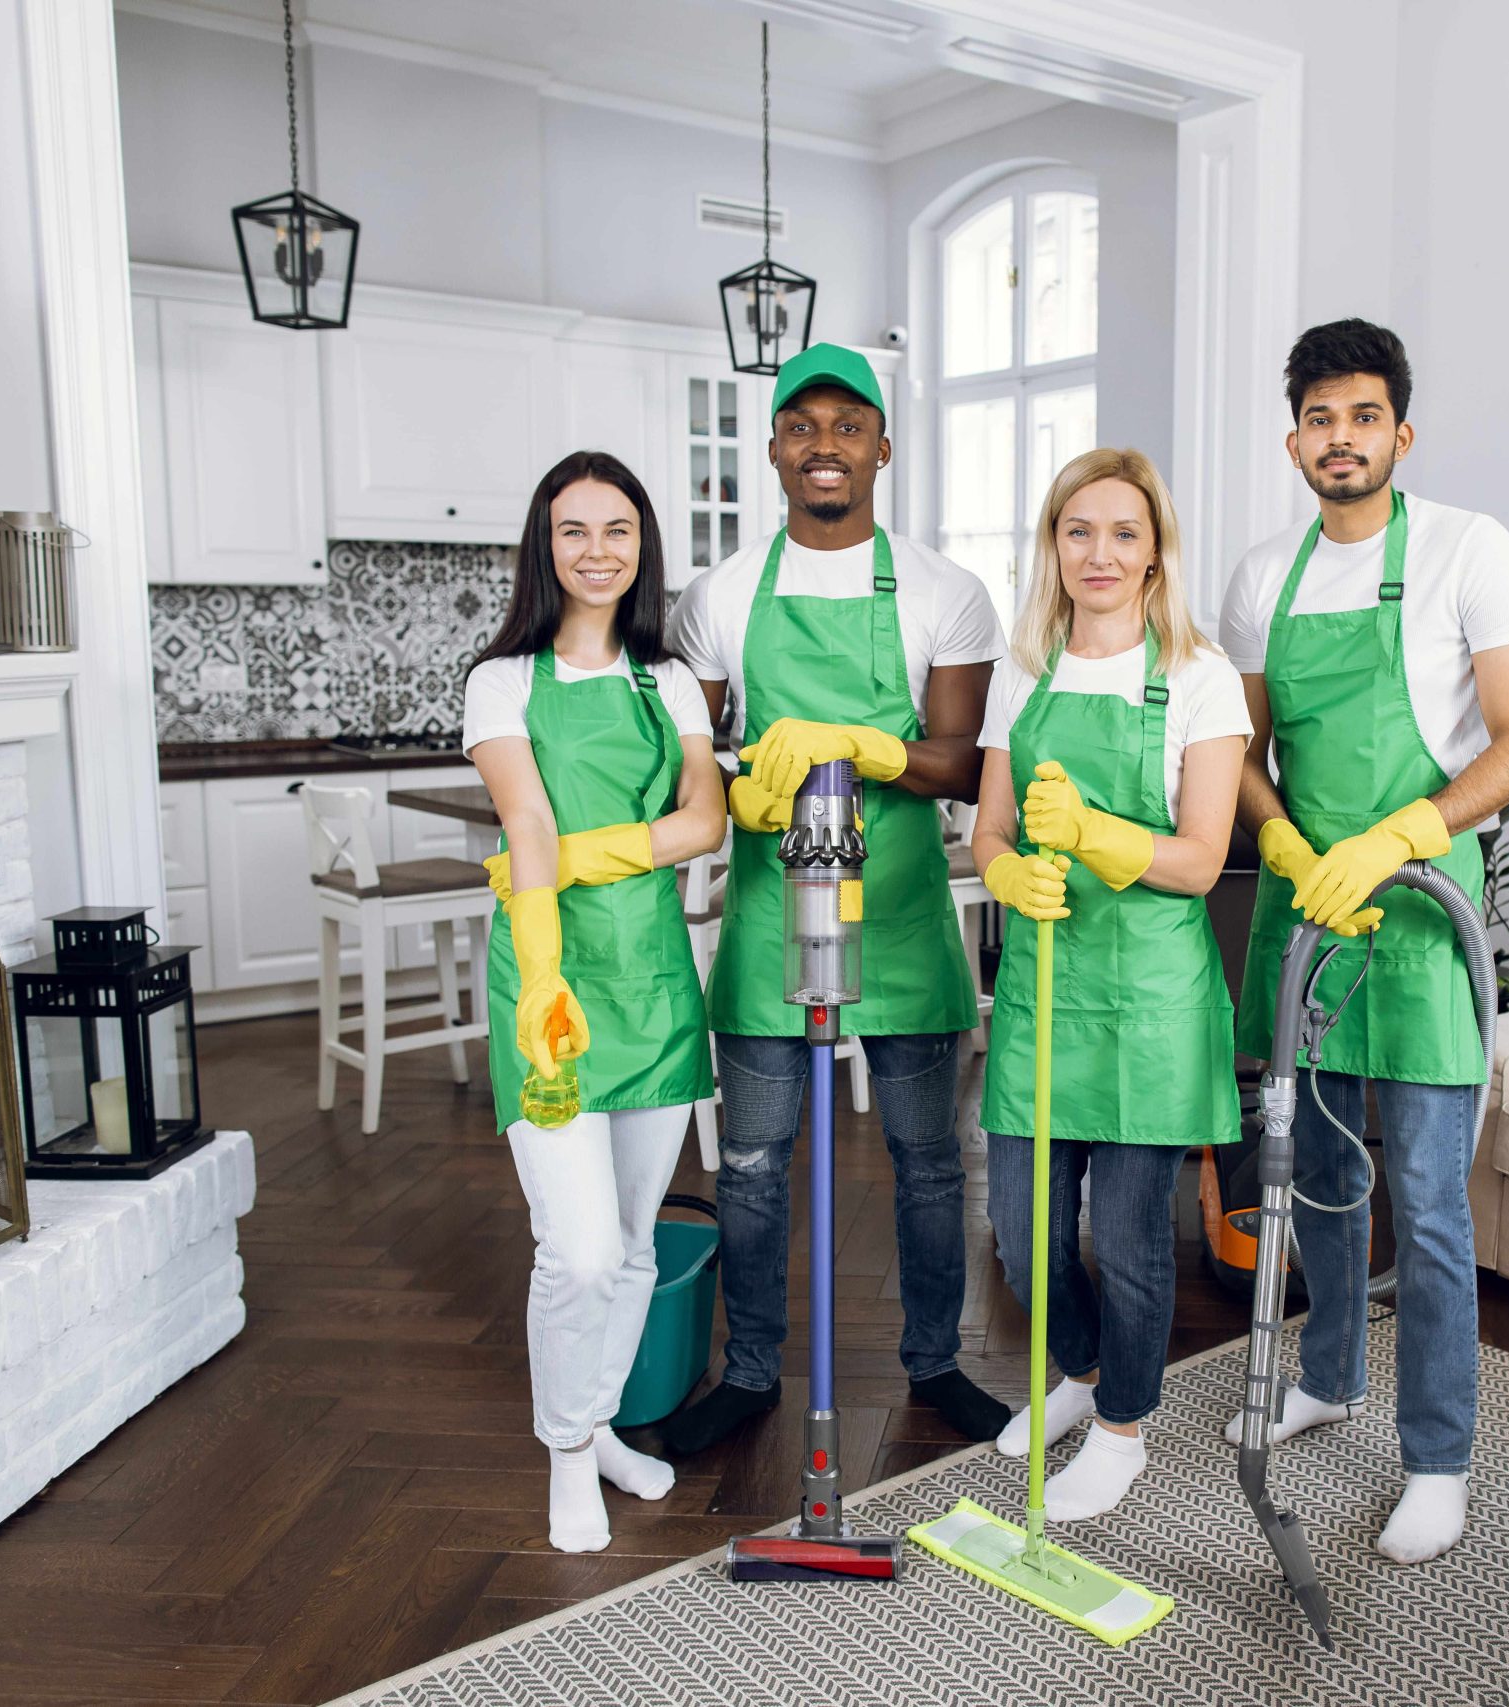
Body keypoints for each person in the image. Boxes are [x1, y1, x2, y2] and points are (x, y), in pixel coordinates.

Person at [1219, 319, 1509, 1564]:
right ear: (1293, 436)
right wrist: (1293, 848)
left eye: (1362, 417)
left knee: (1424, 1198)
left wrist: (1400, 832)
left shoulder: (1472, 550)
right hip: (1308, 908)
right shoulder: (1266, 576)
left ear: (1399, 433)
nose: (1339, 438)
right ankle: (1328, 1374)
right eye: (1318, 418)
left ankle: (1437, 1457)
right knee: (1314, 1176)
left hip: (1419, 916)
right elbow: (1241, 759)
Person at [664, 343, 1010, 1451]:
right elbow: (686, 759)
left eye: (847, 425)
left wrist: (870, 748)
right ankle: (751, 1370)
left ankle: (936, 1364)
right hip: (773, 910)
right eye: (802, 425)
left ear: (882, 447)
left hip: (900, 910)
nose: (824, 444)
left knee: (927, 1161)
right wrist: (740, 783)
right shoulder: (717, 596)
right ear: (773, 447)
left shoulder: (945, 591)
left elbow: (966, 762)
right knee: (755, 1163)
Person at [970, 448, 1248, 1522]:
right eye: (1077, 530)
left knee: (1130, 1238)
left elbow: (1198, 856)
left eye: (1123, 533)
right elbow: (989, 825)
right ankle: (1077, 1379)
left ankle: (1126, 1426)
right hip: (1044, 991)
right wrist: (1006, 868)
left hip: (1151, 1003)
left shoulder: (1198, 676)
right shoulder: (1022, 669)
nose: (1099, 552)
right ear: (1052, 546)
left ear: (1154, 552)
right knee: (1023, 1229)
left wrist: (1087, 833)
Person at [462, 450, 730, 1554]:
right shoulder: (501, 680)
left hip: (657, 983)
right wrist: (542, 972)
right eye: (574, 530)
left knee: (629, 1249)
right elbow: (525, 827)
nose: (597, 550)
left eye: (617, 529)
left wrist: (600, 848)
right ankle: (569, 1452)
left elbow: (704, 820)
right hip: (552, 977)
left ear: (642, 545)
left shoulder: (667, 682)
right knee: (571, 1251)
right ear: (545, 544)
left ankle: (603, 1423)